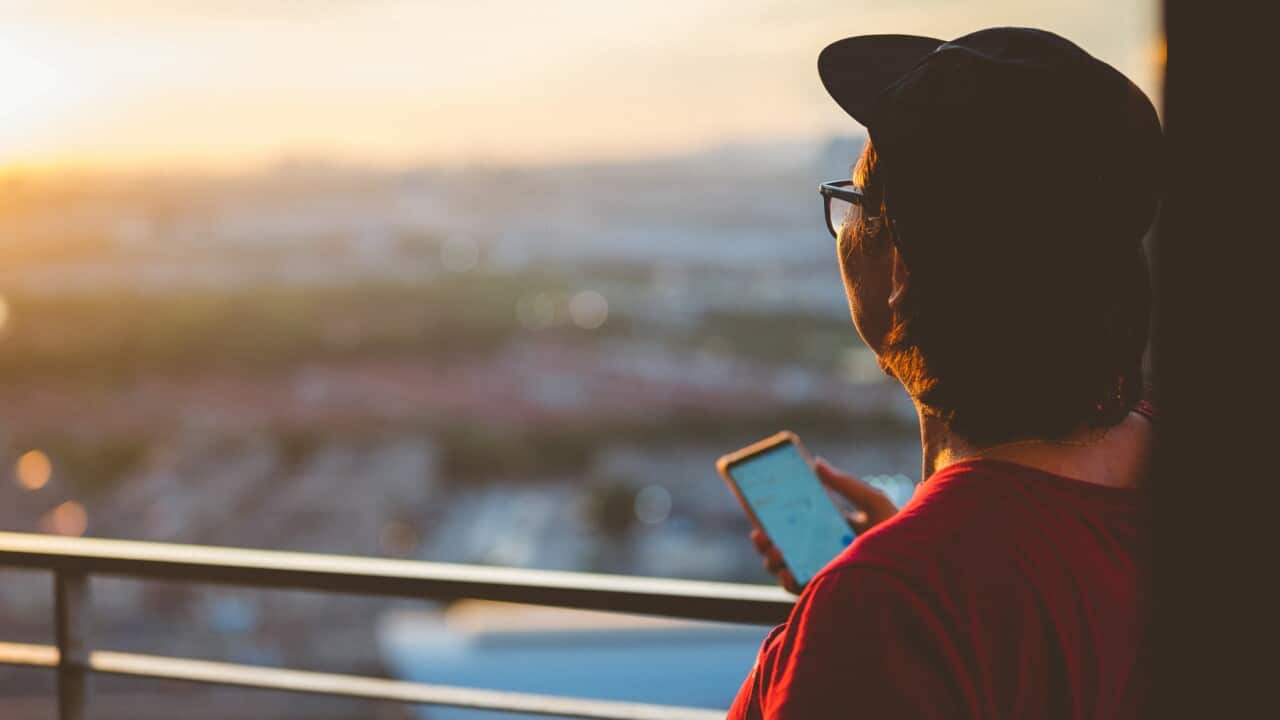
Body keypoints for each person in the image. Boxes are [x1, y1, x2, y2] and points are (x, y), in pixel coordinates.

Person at [729, 28, 1162, 719]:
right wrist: (913, 542)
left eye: (855, 205)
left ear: (901, 267)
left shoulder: (885, 609)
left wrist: (898, 571)